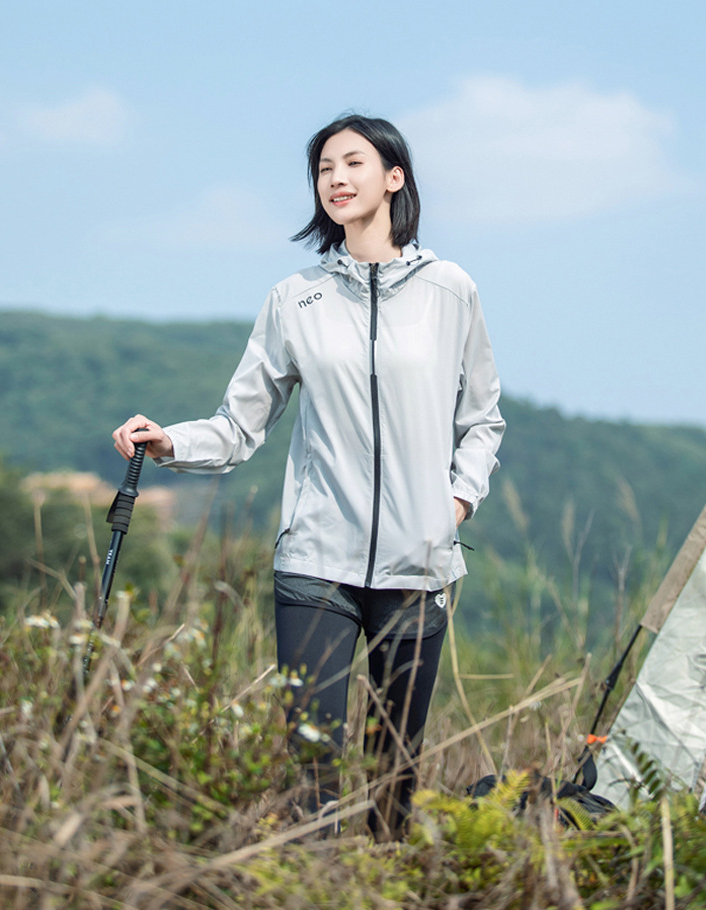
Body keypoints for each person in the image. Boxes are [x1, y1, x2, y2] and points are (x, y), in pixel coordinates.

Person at [112, 114, 505, 840]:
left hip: (418, 568)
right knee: (313, 774)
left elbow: (482, 418)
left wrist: (454, 504)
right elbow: (238, 425)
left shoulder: (452, 290)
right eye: (324, 168)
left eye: (353, 163)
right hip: (315, 565)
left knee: (393, 781)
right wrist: (169, 441)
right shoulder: (295, 299)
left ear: (395, 177)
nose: (336, 178)